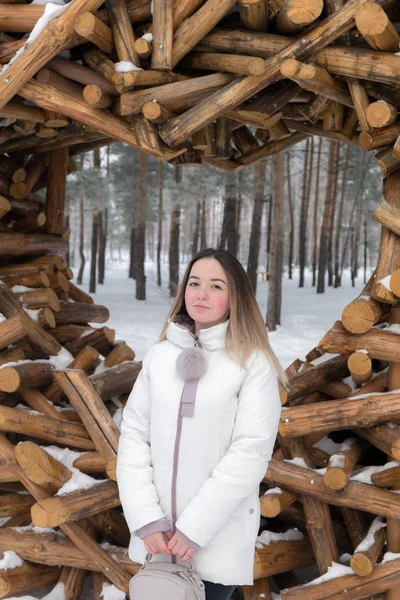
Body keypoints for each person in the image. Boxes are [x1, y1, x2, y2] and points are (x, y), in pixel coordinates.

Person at [116, 248, 286, 600]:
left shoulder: (252, 363)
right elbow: (133, 438)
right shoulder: (159, 358)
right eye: (194, 283)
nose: (201, 294)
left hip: (214, 541)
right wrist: (146, 519)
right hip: (157, 541)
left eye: (216, 286)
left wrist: (194, 529)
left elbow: (249, 454)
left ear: (234, 296)